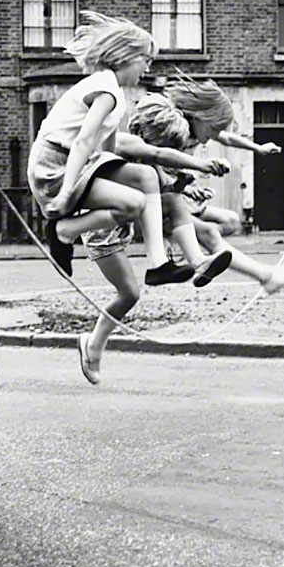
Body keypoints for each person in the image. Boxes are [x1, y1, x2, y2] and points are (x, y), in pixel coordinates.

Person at [27, 11, 193, 286]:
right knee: (134, 203)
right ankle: (64, 231)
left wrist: (165, 179)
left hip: (76, 163)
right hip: (53, 166)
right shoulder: (105, 90)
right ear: (124, 56)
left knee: (145, 177)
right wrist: (68, 192)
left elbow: (108, 154)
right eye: (146, 60)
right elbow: (82, 141)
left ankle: (159, 265)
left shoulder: (115, 94)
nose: (148, 69)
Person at [77, 97, 234, 384]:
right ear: (148, 134)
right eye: (167, 143)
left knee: (173, 200)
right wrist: (202, 164)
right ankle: (93, 344)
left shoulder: (149, 163)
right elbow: (160, 154)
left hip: (125, 221)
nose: (172, 150)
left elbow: (165, 184)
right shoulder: (123, 142)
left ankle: (197, 262)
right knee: (129, 295)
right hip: (102, 231)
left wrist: (183, 186)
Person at [130, 82, 284, 294]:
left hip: (173, 195)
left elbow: (226, 137)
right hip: (157, 201)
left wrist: (258, 148)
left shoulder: (196, 128)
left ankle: (192, 250)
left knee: (229, 222)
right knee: (208, 233)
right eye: (214, 128)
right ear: (198, 117)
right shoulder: (170, 133)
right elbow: (154, 165)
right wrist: (187, 184)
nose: (214, 135)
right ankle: (265, 276)